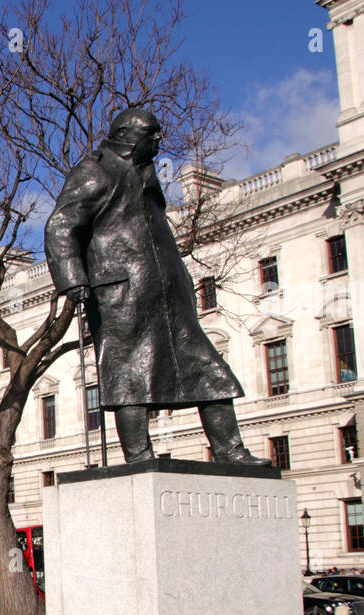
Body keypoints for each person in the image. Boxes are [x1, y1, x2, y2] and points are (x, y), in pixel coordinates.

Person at [45, 108, 269, 467]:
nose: (158, 140)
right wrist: (73, 279)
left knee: (210, 370)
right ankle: (138, 456)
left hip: (167, 293)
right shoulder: (95, 170)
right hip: (122, 295)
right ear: (129, 136)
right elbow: (60, 225)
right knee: (128, 376)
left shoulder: (144, 172)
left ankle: (230, 450)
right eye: (152, 134)